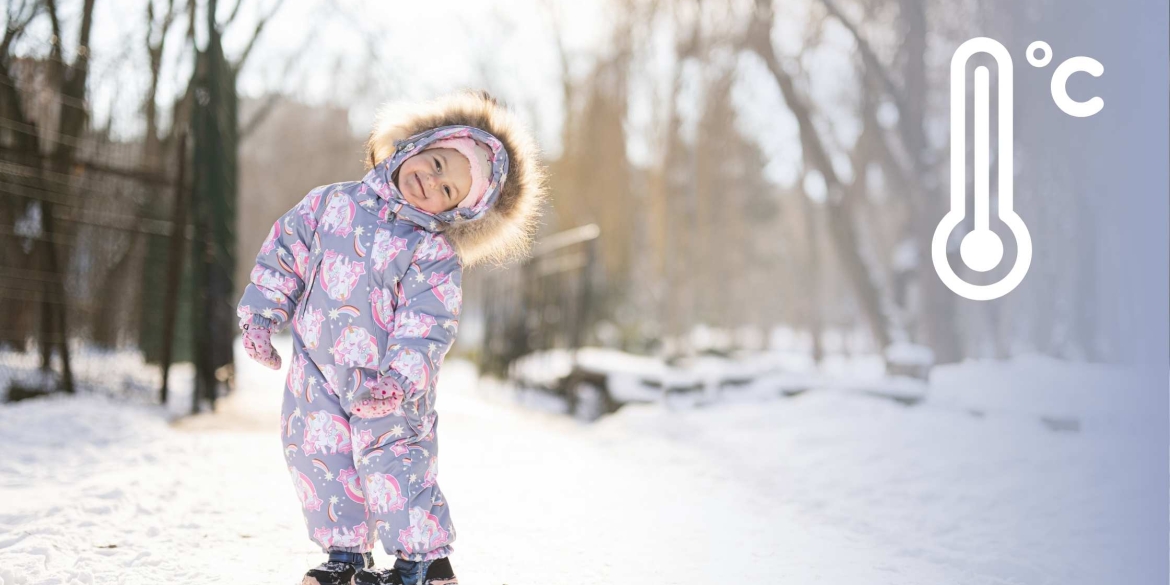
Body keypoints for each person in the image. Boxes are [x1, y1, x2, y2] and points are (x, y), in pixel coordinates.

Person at [236, 91, 546, 585]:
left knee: (395, 464)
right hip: (316, 373)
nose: (431, 181)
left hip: (388, 386)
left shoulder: (432, 251)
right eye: (438, 163)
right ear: (417, 145)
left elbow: (427, 324)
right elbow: (284, 253)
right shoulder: (328, 202)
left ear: (456, 212)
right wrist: (261, 314)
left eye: (448, 190)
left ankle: (423, 562)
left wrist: (400, 380)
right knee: (318, 457)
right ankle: (345, 556)